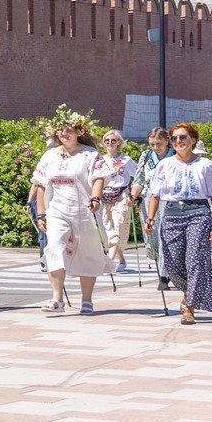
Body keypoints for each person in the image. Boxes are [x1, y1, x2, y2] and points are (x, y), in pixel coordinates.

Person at [143, 123, 212, 324]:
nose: (178, 142)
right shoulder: (165, 165)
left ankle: (189, 307)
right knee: (171, 264)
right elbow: (155, 193)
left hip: (198, 212)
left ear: (193, 140)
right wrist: (150, 219)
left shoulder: (205, 165)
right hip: (171, 213)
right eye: (174, 139)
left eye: (182, 138)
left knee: (195, 259)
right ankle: (189, 290)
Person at [32, 114, 111, 315]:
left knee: (87, 251)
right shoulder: (49, 156)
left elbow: (99, 177)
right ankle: (57, 299)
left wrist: (95, 198)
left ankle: (87, 300)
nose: (64, 133)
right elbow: (40, 185)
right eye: (60, 130)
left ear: (79, 132)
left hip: (84, 210)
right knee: (54, 246)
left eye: (68, 129)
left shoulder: (90, 154)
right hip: (57, 210)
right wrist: (41, 214)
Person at [95, 129, 138, 273]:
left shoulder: (126, 160)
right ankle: (121, 259)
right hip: (104, 198)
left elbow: (138, 177)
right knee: (109, 231)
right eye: (106, 140)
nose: (110, 143)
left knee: (117, 227)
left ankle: (109, 263)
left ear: (119, 142)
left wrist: (135, 196)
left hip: (121, 197)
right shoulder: (100, 160)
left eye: (113, 140)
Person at [131, 126, 172, 269]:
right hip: (149, 200)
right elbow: (139, 180)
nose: (155, 147)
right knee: (152, 236)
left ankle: (164, 273)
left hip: (169, 200)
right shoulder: (146, 155)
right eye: (152, 144)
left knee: (166, 235)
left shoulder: (175, 156)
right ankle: (161, 266)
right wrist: (133, 196)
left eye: (159, 144)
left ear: (167, 141)